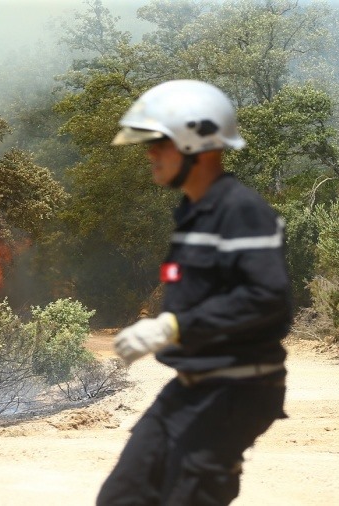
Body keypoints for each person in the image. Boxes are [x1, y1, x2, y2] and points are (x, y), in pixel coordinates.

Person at [96, 80, 292, 506]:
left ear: (197, 144)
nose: (150, 153)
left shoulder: (240, 210)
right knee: (123, 495)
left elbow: (268, 297)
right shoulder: (194, 212)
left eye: (160, 143)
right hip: (192, 385)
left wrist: (173, 326)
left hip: (236, 390)